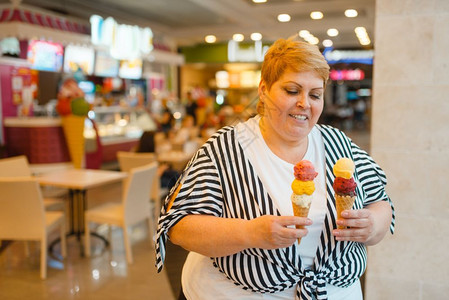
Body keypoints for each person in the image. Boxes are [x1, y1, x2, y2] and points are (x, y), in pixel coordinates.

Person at [156, 37, 395, 300]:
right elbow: (180, 226)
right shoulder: (226, 148)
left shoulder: (339, 144)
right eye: (292, 91)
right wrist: (250, 233)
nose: (305, 103)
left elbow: (381, 203)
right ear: (263, 90)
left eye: (315, 94)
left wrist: (372, 226)